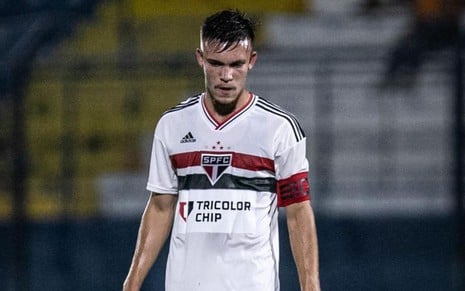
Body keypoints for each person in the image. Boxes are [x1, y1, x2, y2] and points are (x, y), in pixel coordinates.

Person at [122, 9, 320, 291]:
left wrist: (311, 286)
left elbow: (299, 212)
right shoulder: (172, 125)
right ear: (200, 59)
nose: (226, 75)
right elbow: (160, 205)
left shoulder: (279, 129)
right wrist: (132, 282)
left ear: (252, 60)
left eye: (236, 64)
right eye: (216, 63)